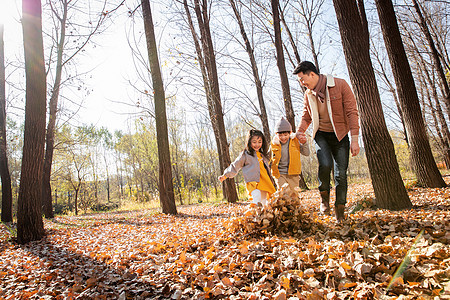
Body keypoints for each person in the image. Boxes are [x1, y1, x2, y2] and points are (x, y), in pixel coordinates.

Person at [293, 61, 360, 223]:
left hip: (340, 135)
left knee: (341, 175)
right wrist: (300, 131)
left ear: (312, 74)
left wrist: (355, 139)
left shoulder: (340, 84)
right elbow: (306, 116)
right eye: (300, 81)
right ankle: (324, 199)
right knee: (325, 164)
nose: (302, 83)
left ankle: (340, 209)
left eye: (302, 79)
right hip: (321, 134)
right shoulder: (308, 94)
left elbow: (352, 112)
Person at [218, 129, 276, 205]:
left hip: (264, 181)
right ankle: (255, 212)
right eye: (254, 142)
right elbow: (235, 165)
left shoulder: (262, 155)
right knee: (257, 195)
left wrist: (275, 142)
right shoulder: (245, 155)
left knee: (263, 201)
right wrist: (225, 175)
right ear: (249, 142)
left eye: (259, 142)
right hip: (253, 182)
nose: (257, 145)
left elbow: (271, 154)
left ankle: (262, 216)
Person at [271, 117, 309, 194]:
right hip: (279, 173)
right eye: (280, 135)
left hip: (293, 173)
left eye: (285, 135)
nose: (283, 137)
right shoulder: (274, 144)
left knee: (294, 195)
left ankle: (295, 206)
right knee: (283, 195)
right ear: (276, 134)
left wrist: (304, 143)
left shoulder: (295, 141)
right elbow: (267, 158)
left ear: (290, 133)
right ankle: (283, 206)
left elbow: (306, 153)